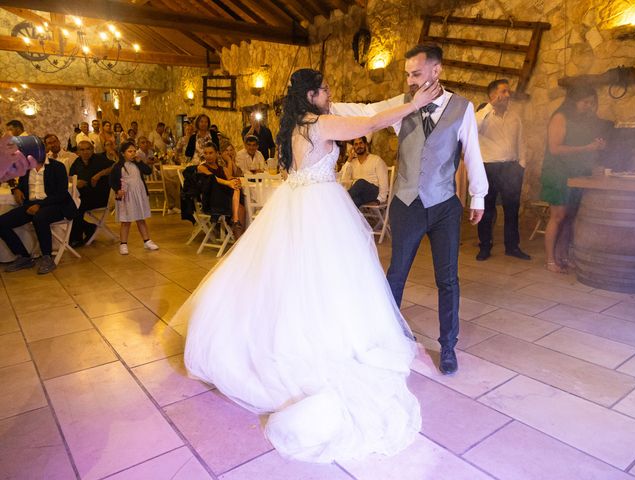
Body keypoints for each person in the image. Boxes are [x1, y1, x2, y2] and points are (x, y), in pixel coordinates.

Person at [171, 68, 439, 463]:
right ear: (312, 94)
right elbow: (367, 123)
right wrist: (412, 104)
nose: (330, 93)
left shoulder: (296, 124)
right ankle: (327, 340)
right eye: (326, 88)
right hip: (318, 207)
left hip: (297, 202)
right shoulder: (320, 122)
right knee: (328, 279)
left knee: (293, 279)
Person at [332, 43, 488, 375]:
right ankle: (386, 337)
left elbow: (472, 152)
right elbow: (366, 112)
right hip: (406, 204)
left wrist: (478, 196)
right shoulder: (402, 103)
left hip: (444, 204)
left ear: (436, 70)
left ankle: (448, 346)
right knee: (396, 274)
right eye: (407, 74)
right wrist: (326, 105)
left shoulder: (463, 107)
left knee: (447, 279)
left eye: (416, 73)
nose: (411, 80)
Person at [540, 84, 611, 273]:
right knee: (558, 216)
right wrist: (587, 148)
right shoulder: (560, 117)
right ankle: (550, 260)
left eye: (591, 103)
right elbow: (555, 148)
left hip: (576, 173)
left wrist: (597, 147)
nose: (588, 106)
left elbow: (583, 146)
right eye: (585, 102)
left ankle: (563, 255)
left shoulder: (584, 121)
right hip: (557, 173)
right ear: (573, 101)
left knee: (570, 217)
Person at [0, 140, 77, 274]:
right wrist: (16, 190)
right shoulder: (26, 169)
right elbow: (21, 185)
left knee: (39, 217)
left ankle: (47, 257)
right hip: (32, 205)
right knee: (1, 222)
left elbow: (61, 194)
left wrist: (39, 205)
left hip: (55, 205)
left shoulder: (57, 167)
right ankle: (23, 256)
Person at [475, 79, 530, 261]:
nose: (507, 95)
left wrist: (521, 164)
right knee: (487, 210)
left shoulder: (515, 117)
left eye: (508, 92)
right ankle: (484, 247)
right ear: (492, 95)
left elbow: (521, 141)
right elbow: (473, 130)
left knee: (512, 209)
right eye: (504, 91)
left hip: (511, 168)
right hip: (489, 167)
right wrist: (490, 107)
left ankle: (512, 247)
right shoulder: (482, 115)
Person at [109, 140, 159, 255]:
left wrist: (140, 162)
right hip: (127, 196)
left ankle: (147, 241)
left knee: (141, 218)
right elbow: (112, 180)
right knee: (126, 221)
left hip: (139, 195)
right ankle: (123, 243)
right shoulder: (118, 166)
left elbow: (148, 171)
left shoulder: (137, 163)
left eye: (134, 151)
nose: (132, 153)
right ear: (123, 153)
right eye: (129, 151)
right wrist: (118, 190)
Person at [69, 141, 114, 247]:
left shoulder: (99, 159)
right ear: (78, 152)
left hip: (99, 196)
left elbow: (114, 167)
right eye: (82, 150)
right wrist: (77, 181)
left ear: (92, 150)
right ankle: (89, 228)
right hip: (83, 195)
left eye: (88, 149)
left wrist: (99, 174)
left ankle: (76, 238)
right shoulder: (77, 162)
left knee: (76, 206)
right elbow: (70, 176)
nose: (85, 152)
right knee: (70, 205)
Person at [197, 142, 244, 239]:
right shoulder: (202, 167)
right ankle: (238, 237)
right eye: (206, 153)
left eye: (211, 153)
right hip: (212, 200)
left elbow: (230, 177)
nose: (208, 156)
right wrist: (228, 183)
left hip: (226, 198)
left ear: (217, 154)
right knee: (239, 207)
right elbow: (213, 178)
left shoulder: (223, 169)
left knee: (241, 207)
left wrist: (235, 181)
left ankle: (238, 238)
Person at [341, 136, 389, 207]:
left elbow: (383, 181)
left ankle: (340, 200)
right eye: (356, 144)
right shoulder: (352, 162)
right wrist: (349, 159)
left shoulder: (376, 160)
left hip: (373, 192)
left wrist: (380, 199)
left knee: (361, 182)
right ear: (353, 147)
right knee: (354, 202)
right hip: (359, 193)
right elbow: (343, 178)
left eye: (361, 143)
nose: (359, 146)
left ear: (366, 144)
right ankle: (344, 215)